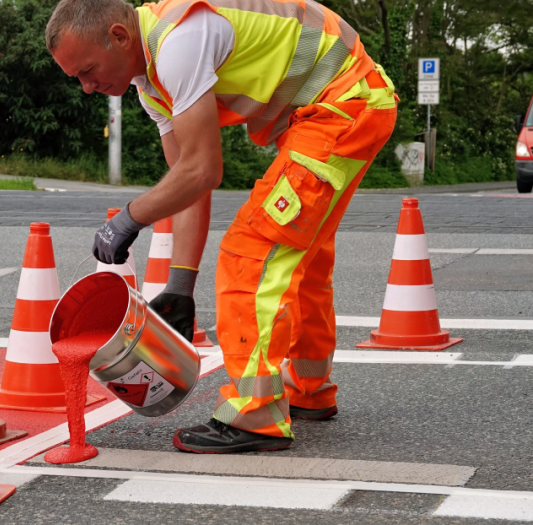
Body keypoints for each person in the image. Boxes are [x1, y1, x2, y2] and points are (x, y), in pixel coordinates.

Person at [46, 0, 397, 453]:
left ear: (119, 36)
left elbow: (203, 170)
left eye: (88, 70)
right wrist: (180, 285)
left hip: (342, 105)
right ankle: (309, 390)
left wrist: (129, 219)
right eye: (76, 78)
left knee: (251, 250)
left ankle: (255, 415)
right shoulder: (151, 84)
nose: (88, 87)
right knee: (297, 255)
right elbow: (189, 182)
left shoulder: (179, 44)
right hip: (341, 109)